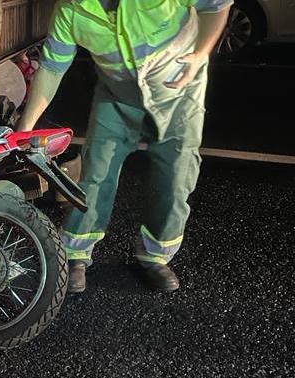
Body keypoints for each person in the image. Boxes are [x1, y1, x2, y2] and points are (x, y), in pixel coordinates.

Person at [16, 0, 232, 292]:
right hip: (118, 99)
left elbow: (216, 5)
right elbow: (52, 69)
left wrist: (199, 54)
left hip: (178, 96)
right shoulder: (70, 10)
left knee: (176, 179)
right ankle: (76, 254)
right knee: (95, 175)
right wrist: (23, 130)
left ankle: (155, 256)